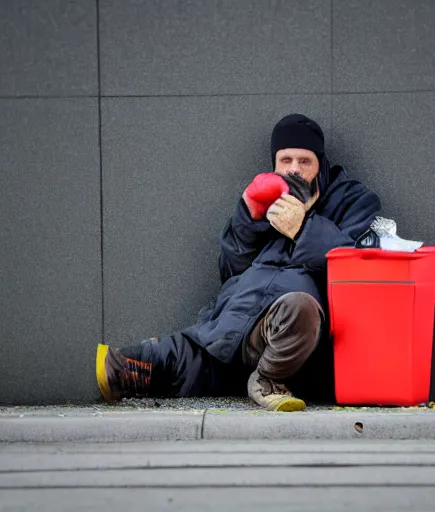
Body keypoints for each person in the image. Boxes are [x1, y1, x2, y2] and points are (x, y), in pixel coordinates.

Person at [96, 114, 381, 411]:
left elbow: (355, 264)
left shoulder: (354, 200)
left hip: (299, 335)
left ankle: (268, 380)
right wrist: (248, 218)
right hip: (239, 326)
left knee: (300, 308)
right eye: (285, 160)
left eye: (304, 161)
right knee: (142, 362)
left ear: (320, 164)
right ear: (275, 163)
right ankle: (148, 368)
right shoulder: (268, 194)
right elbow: (231, 272)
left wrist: (304, 227)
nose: (294, 169)